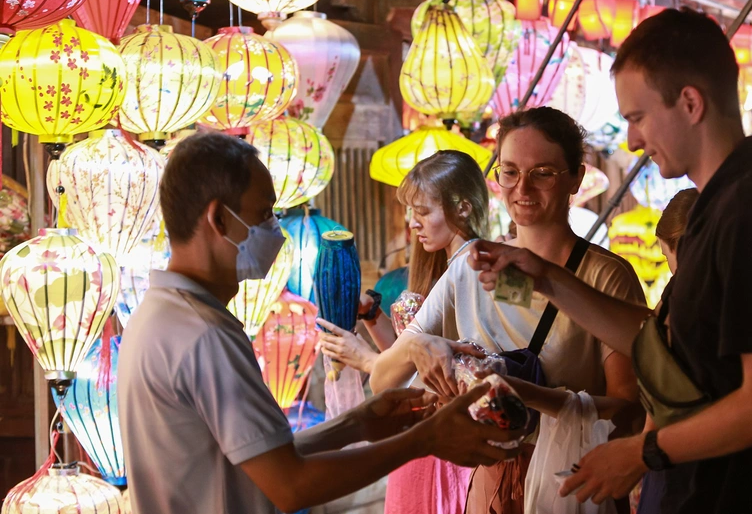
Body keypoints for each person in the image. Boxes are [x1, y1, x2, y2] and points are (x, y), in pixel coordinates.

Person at [468, 9, 752, 513]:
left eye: (637, 117)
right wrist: (549, 279)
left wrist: (642, 453)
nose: (632, 142)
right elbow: (660, 347)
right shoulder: (715, 209)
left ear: (689, 102)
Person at [117, 132, 523, 514]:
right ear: (219, 220)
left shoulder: (157, 316)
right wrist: (424, 439)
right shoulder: (202, 335)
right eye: (263, 214)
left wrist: (356, 424)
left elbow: (267, 456)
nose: (273, 229)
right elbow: (292, 484)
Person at [371, 107, 646, 513]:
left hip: (572, 483)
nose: (523, 188)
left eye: (543, 173)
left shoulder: (605, 277)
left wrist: (525, 395)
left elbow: (628, 409)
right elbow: (382, 379)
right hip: (488, 482)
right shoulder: (471, 265)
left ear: (576, 178)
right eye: (510, 171)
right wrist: (422, 347)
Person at [319, 149, 491, 514]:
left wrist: (362, 358)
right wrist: (371, 316)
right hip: (424, 425)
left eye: (423, 211)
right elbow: (407, 360)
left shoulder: (470, 265)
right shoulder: (446, 263)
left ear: (462, 207)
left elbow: (394, 375)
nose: (413, 222)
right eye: (411, 212)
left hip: (441, 428)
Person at [635, 187, 698, 514]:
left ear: (677, 246)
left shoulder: (680, 302)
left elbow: (662, 396)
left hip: (675, 460)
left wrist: (637, 458)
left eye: (665, 255)